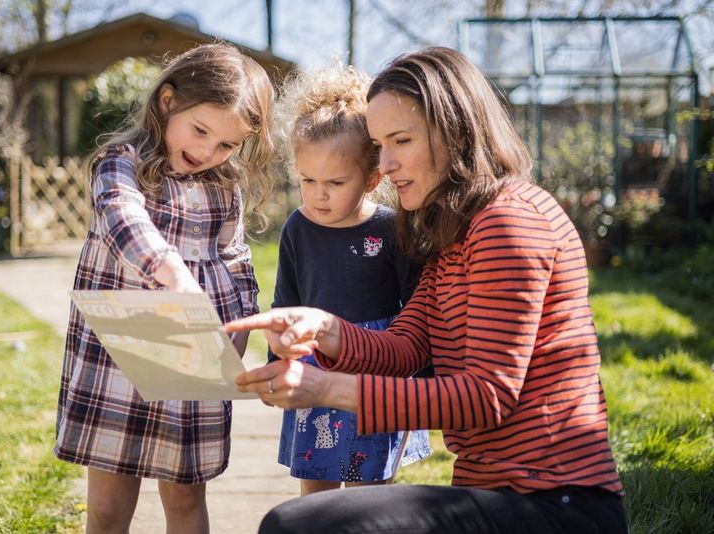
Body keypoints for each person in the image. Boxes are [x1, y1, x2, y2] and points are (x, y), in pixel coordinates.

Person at [227, 47, 628, 534]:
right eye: (379, 145)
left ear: (455, 131)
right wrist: (324, 329)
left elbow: (486, 396)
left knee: (299, 526)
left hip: (554, 503)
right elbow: (407, 347)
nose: (387, 164)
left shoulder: (509, 222)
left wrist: (325, 387)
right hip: (488, 490)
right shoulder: (454, 234)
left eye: (401, 141)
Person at [54, 43, 276, 534]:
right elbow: (121, 216)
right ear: (168, 101)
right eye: (201, 131)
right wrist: (172, 270)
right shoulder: (122, 163)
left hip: (190, 354)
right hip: (120, 353)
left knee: (184, 497)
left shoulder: (223, 187)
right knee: (109, 506)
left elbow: (236, 259)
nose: (207, 152)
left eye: (226, 145)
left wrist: (236, 332)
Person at [269, 65, 431, 495]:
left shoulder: (393, 228)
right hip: (314, 365)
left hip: (378, 372)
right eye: (307, 180)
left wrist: (427, 378)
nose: (319, 194)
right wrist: (275, 364)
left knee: (370, 492)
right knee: (315, 488)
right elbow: (285, 301)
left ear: (372, 178)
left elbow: (416, 306)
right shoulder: (297, 229)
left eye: (336, 182)